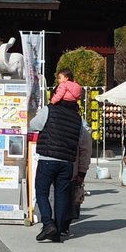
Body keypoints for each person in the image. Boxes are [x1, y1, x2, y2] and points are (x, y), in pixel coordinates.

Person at [30, 93, 82, 242]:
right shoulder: (77, 117)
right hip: (67, 162)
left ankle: (48, 224)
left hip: (48, 158)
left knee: (41, 191)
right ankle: (58, 232)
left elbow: (34, 124)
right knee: (61, 196)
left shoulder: (49, 110)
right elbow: (79, 139)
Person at [70, 117, 93, 226]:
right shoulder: (81, 126)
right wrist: (82, 171)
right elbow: (86, 152)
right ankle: (64, 224)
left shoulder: (53, 119)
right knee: (71, 195)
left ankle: (53, 223)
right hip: (73, 169)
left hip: (57, 167)